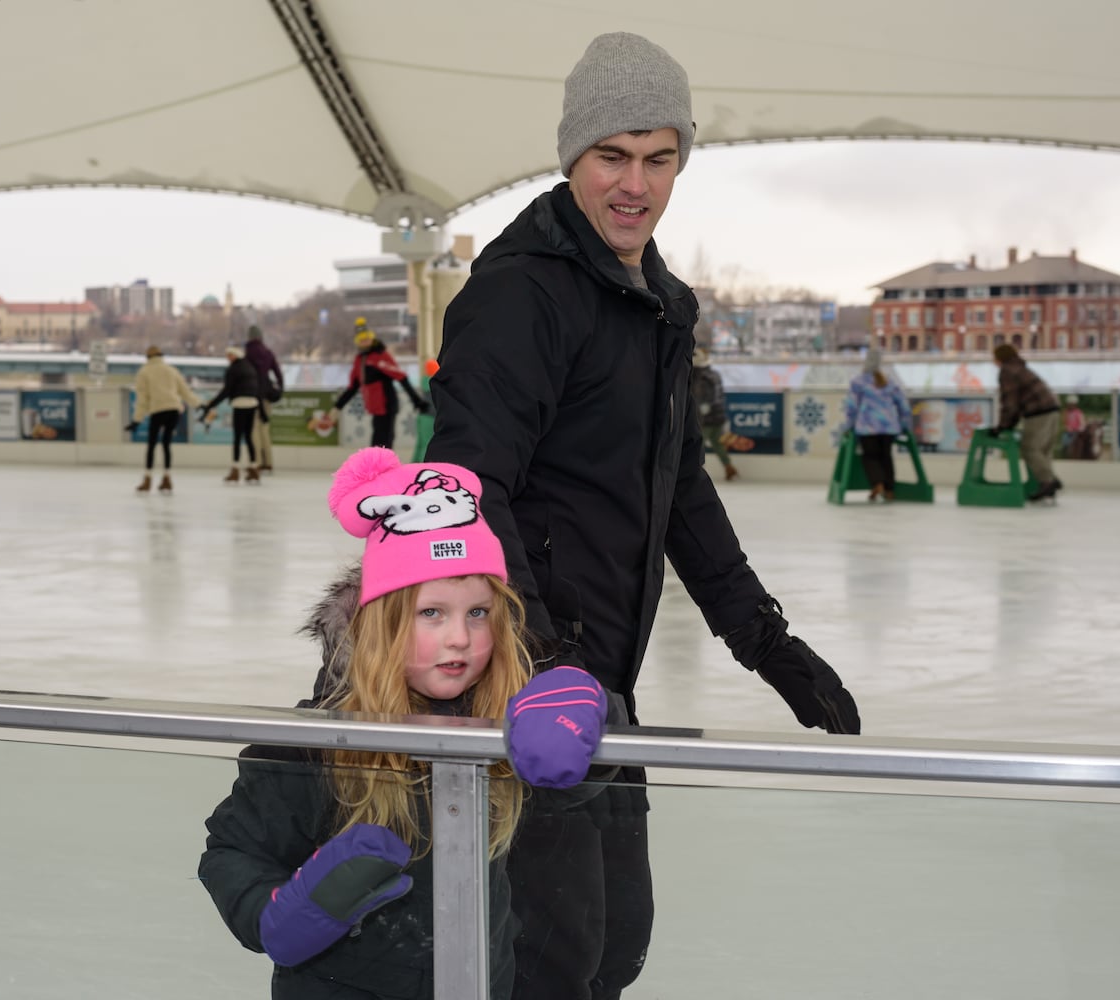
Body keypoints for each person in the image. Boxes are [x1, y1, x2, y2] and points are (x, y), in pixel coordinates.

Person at [424, 31, 860, 999]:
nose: (636, 184)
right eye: (612, 157)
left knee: (614, 946)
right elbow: (462, 486)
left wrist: (765, 640)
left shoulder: (660, 304)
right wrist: (540, 661)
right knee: (549, 955)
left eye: (659, 158)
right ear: (571, 156)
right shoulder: (520, 293)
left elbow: (680, 485)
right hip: (527, 682)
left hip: (602, 679)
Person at [197, 447, 609, 1000]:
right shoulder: (318, 738)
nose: (460, 638)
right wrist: (278, 914)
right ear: (383, 622)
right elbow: (233, 849)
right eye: (431, 613)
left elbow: (578, 790)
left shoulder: (502, 721)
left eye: (478, 613)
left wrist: (582, 708)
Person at [332, 317, 430, 449]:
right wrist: (337, 407)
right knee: (378, 439)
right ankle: (378, 467)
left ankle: (383, 467)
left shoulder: (380, 356)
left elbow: (400, 376)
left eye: (367, 339)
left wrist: (416, 400)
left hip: (386, 404)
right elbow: (353, 387)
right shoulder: (360, 360)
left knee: (383, 440)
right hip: (375, 407)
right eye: (362, 340)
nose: (365, 342)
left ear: (372, 338)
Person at [835, 348, 913, 502]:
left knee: (870, 457)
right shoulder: (889, 381)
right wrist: (905, 424)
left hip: (867, 427)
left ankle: (877, 483)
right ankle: (890, 490)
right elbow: (904, 405)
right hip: (889, 428)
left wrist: (849, 426)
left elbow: (851, 406)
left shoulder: (858, 382)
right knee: (886, 457)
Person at [990, 343, 1061, 500]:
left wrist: (1002, 426)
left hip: (1038, 412)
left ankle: (1048, 481)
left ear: (999, 358)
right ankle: (1048, 484)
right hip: (1052, 409)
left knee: (1030, 449)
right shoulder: (1020, 367)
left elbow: (1010, 402)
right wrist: (1008, 424)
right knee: (1043, 451)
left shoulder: (1007, 371)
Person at [128, 345, 200, 493]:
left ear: (148, 357)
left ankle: (147, 479)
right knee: (167, 444)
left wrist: (137, 420)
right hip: (174, 409)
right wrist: (198, 404)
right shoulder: (171, 370)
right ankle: (167, 478)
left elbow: (142, 399)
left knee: (152, 445)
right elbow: (185, 391)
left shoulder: (144, 372)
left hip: (158, 410)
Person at [200, 345, 264, 484]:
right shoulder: (250, 367)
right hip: (253, 404)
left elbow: (227, 390)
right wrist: (262, 410)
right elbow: (257, 389)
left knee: (237, 437)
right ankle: (254, 468)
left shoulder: (233, 369)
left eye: (229, 355)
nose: (227, 358)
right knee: (248, 437)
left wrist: (211, 404)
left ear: (235, 355)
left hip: (240, 404)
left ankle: (235, 469)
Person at [690, 347, 737, 482]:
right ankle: (729, 467)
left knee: (697, 446)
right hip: (718, 416)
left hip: (706, 418)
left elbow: (704, 398)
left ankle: (695, 473)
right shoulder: (714, 374)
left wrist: (703, 409)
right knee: (717, 443)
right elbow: (719, 395)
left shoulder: (699, 377)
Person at [244, 325, 284, 473]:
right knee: (265, 428)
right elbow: (278, 373)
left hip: (253, 395)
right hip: (266, 395)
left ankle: (257, 463)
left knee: (254, 429)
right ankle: (269, 462)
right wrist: (280, 388)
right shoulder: (268, 353)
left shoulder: (248, 353)